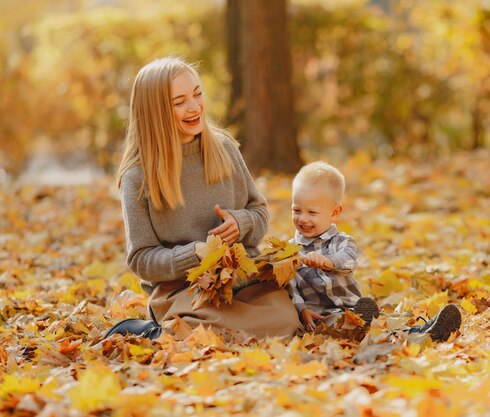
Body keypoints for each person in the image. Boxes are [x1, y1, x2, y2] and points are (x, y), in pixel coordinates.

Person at [104, 56, 300, 340]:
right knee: (202, 331)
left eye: (197, 94)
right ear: (155, 111)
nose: (194, 107)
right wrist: (194, 254)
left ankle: (188, 331)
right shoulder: (138, 177)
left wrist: (241, 222)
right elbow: (141, 258)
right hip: (185, 292)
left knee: (285, 321)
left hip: (242, 283)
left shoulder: (224, 148)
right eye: (179, 101)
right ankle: (153, 330)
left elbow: (258, 213)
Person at [287, 162, 461, 342]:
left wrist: (327, 262)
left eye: (312, 213)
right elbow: (290, 286)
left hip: (352, 307)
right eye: (296, 210)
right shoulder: (291, 250)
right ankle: (418, 334)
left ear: (335, 212)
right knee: (339, 325)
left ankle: (424, 331)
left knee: (378, 326)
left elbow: (348, 261)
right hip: (320, 316)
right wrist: (302, 309)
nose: (303, 218)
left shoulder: (342, 241)